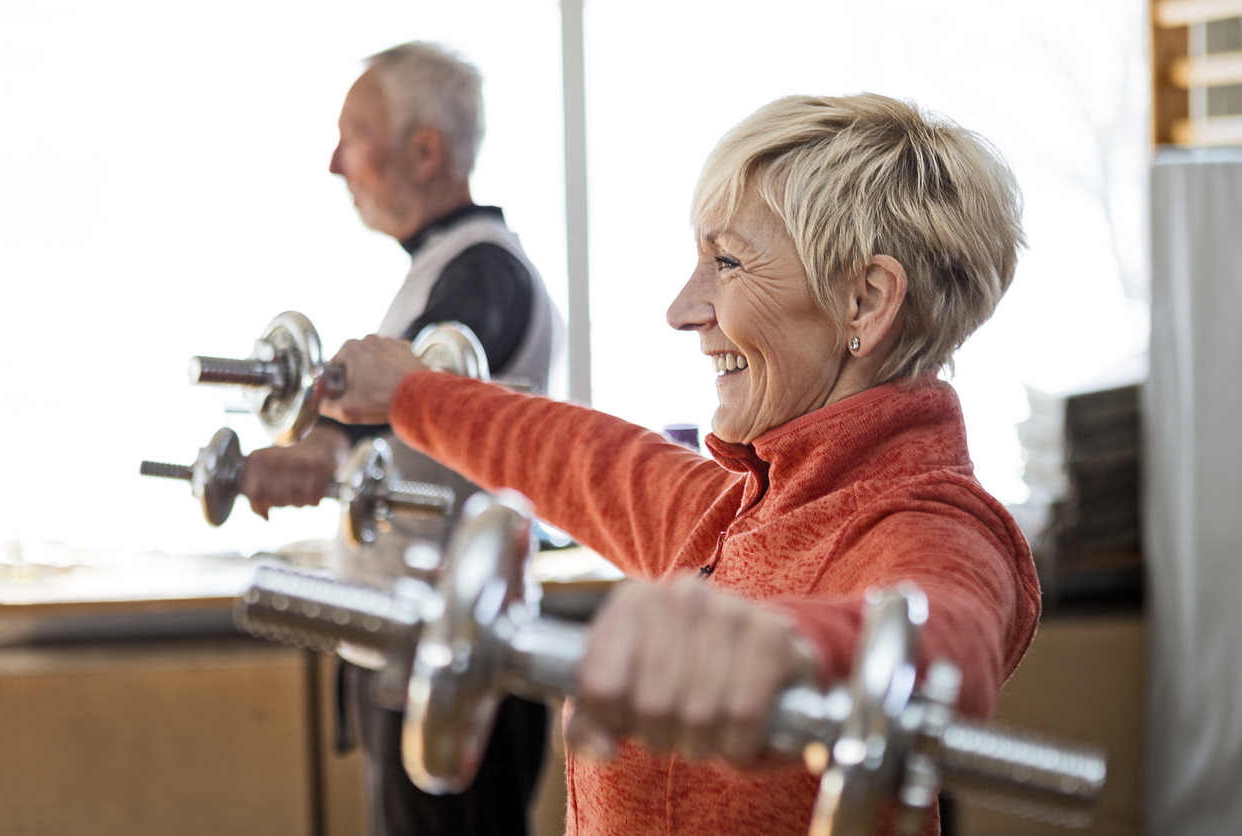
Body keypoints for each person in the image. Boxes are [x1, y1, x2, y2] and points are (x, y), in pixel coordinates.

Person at [321, 93, 1040, 836]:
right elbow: (580, 458)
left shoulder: (933, 522)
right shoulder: (739, 509)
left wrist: (789, 651)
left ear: (864, 300)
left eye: (726, 262)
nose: (682, 309)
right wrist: (409, 392)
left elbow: (949, 641)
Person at [239, 42, 559, 836]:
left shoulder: (482, 273)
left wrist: (320, 452)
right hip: (417, 648)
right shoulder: (443, 269)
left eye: (353, 134)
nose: (333, 163)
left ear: (424, 151)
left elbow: (418, 399)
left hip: (455, 659)